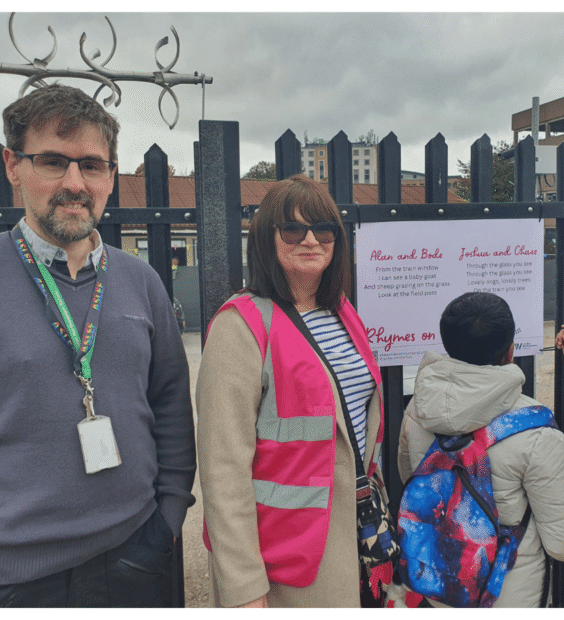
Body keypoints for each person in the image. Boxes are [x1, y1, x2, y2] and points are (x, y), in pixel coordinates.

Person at [0, 84, 196, 607]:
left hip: (137, 552)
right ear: (12, 165)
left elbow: (172, 405)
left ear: (111, 175)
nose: (73, 182)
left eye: (91, 164)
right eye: (51, 161)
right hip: (19, 578)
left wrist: (169, 518)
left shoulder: (142, 281)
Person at [196, 174, 387, 608]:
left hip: (353, 529)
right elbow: (223, 469)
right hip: (286, 551)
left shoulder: (339, 310)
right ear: (267, 239)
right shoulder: (240, 326)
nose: (310, 240)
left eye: (323, 229)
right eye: (292, 229)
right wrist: (244, 587)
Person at [398, 291, 564, 607]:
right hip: (508, 595)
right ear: (510, 352)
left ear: (448, 346)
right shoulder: (534, 430)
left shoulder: (417, 414)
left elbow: (414, 480)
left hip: (438, 585)